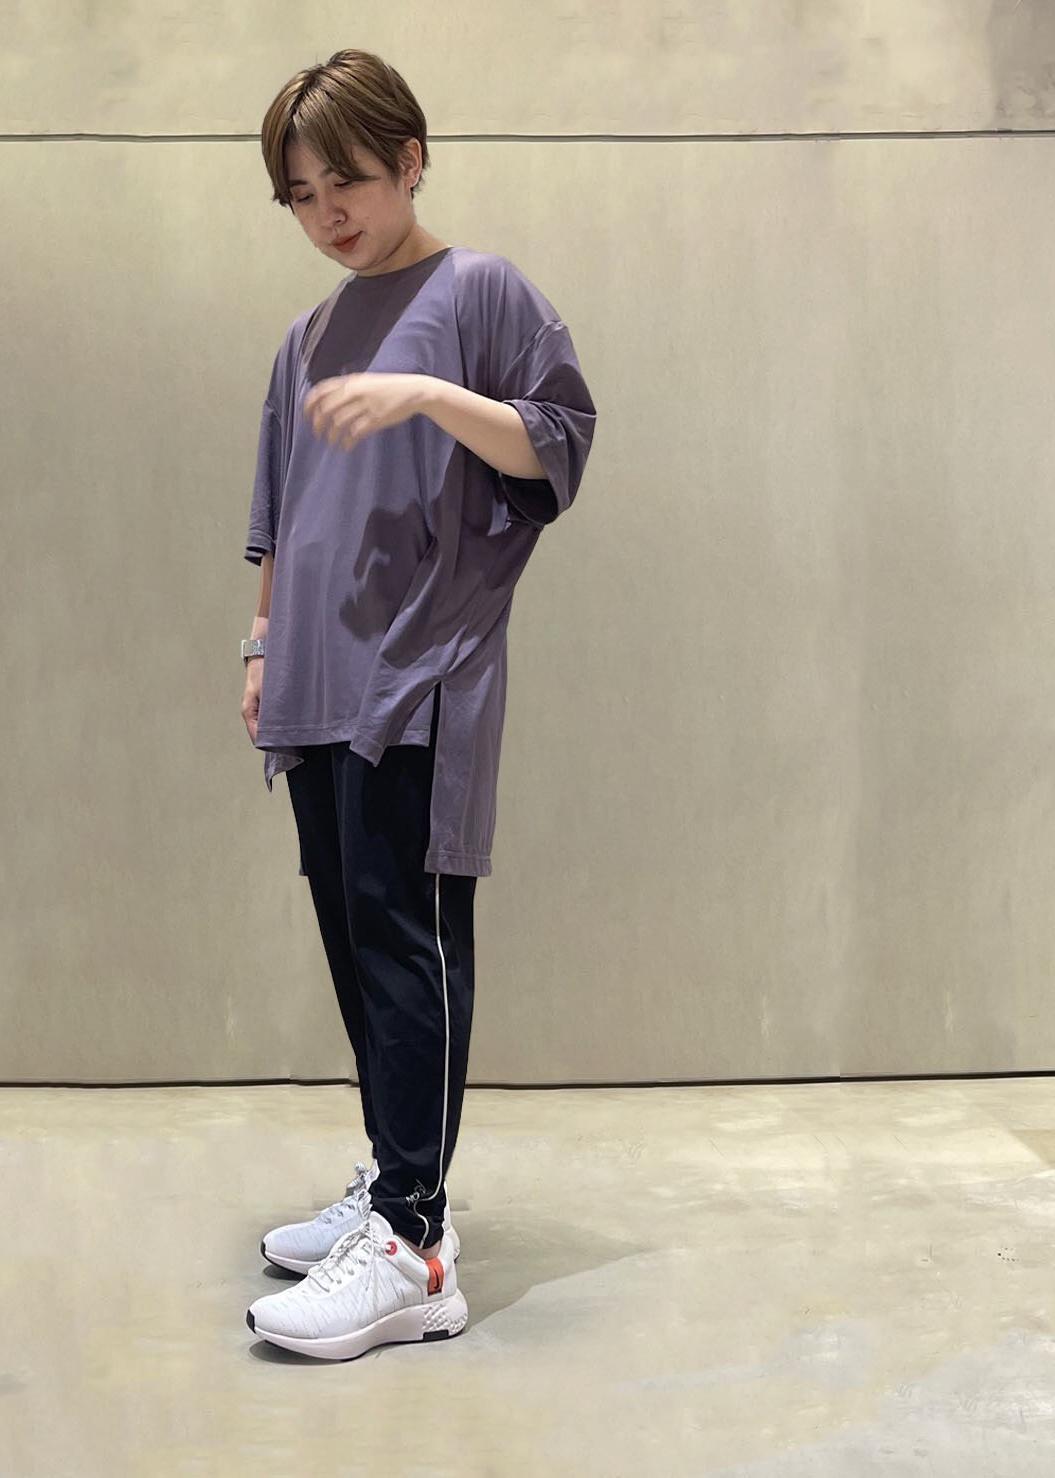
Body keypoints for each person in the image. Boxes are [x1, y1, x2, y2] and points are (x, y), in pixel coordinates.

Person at [239, 49, 597, 1361]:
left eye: (346, 178)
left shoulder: (482, 292)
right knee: (354, 936)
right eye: (301, 193)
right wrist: (260, 648)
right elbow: (277, 514)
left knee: (410, 944)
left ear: (410, 158)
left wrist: (433, 394)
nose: (328, 210)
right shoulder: (306, 337)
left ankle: (415, 1244)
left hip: (419, 674)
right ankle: (396, 1176)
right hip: (317, 680)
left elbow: (558, 442)